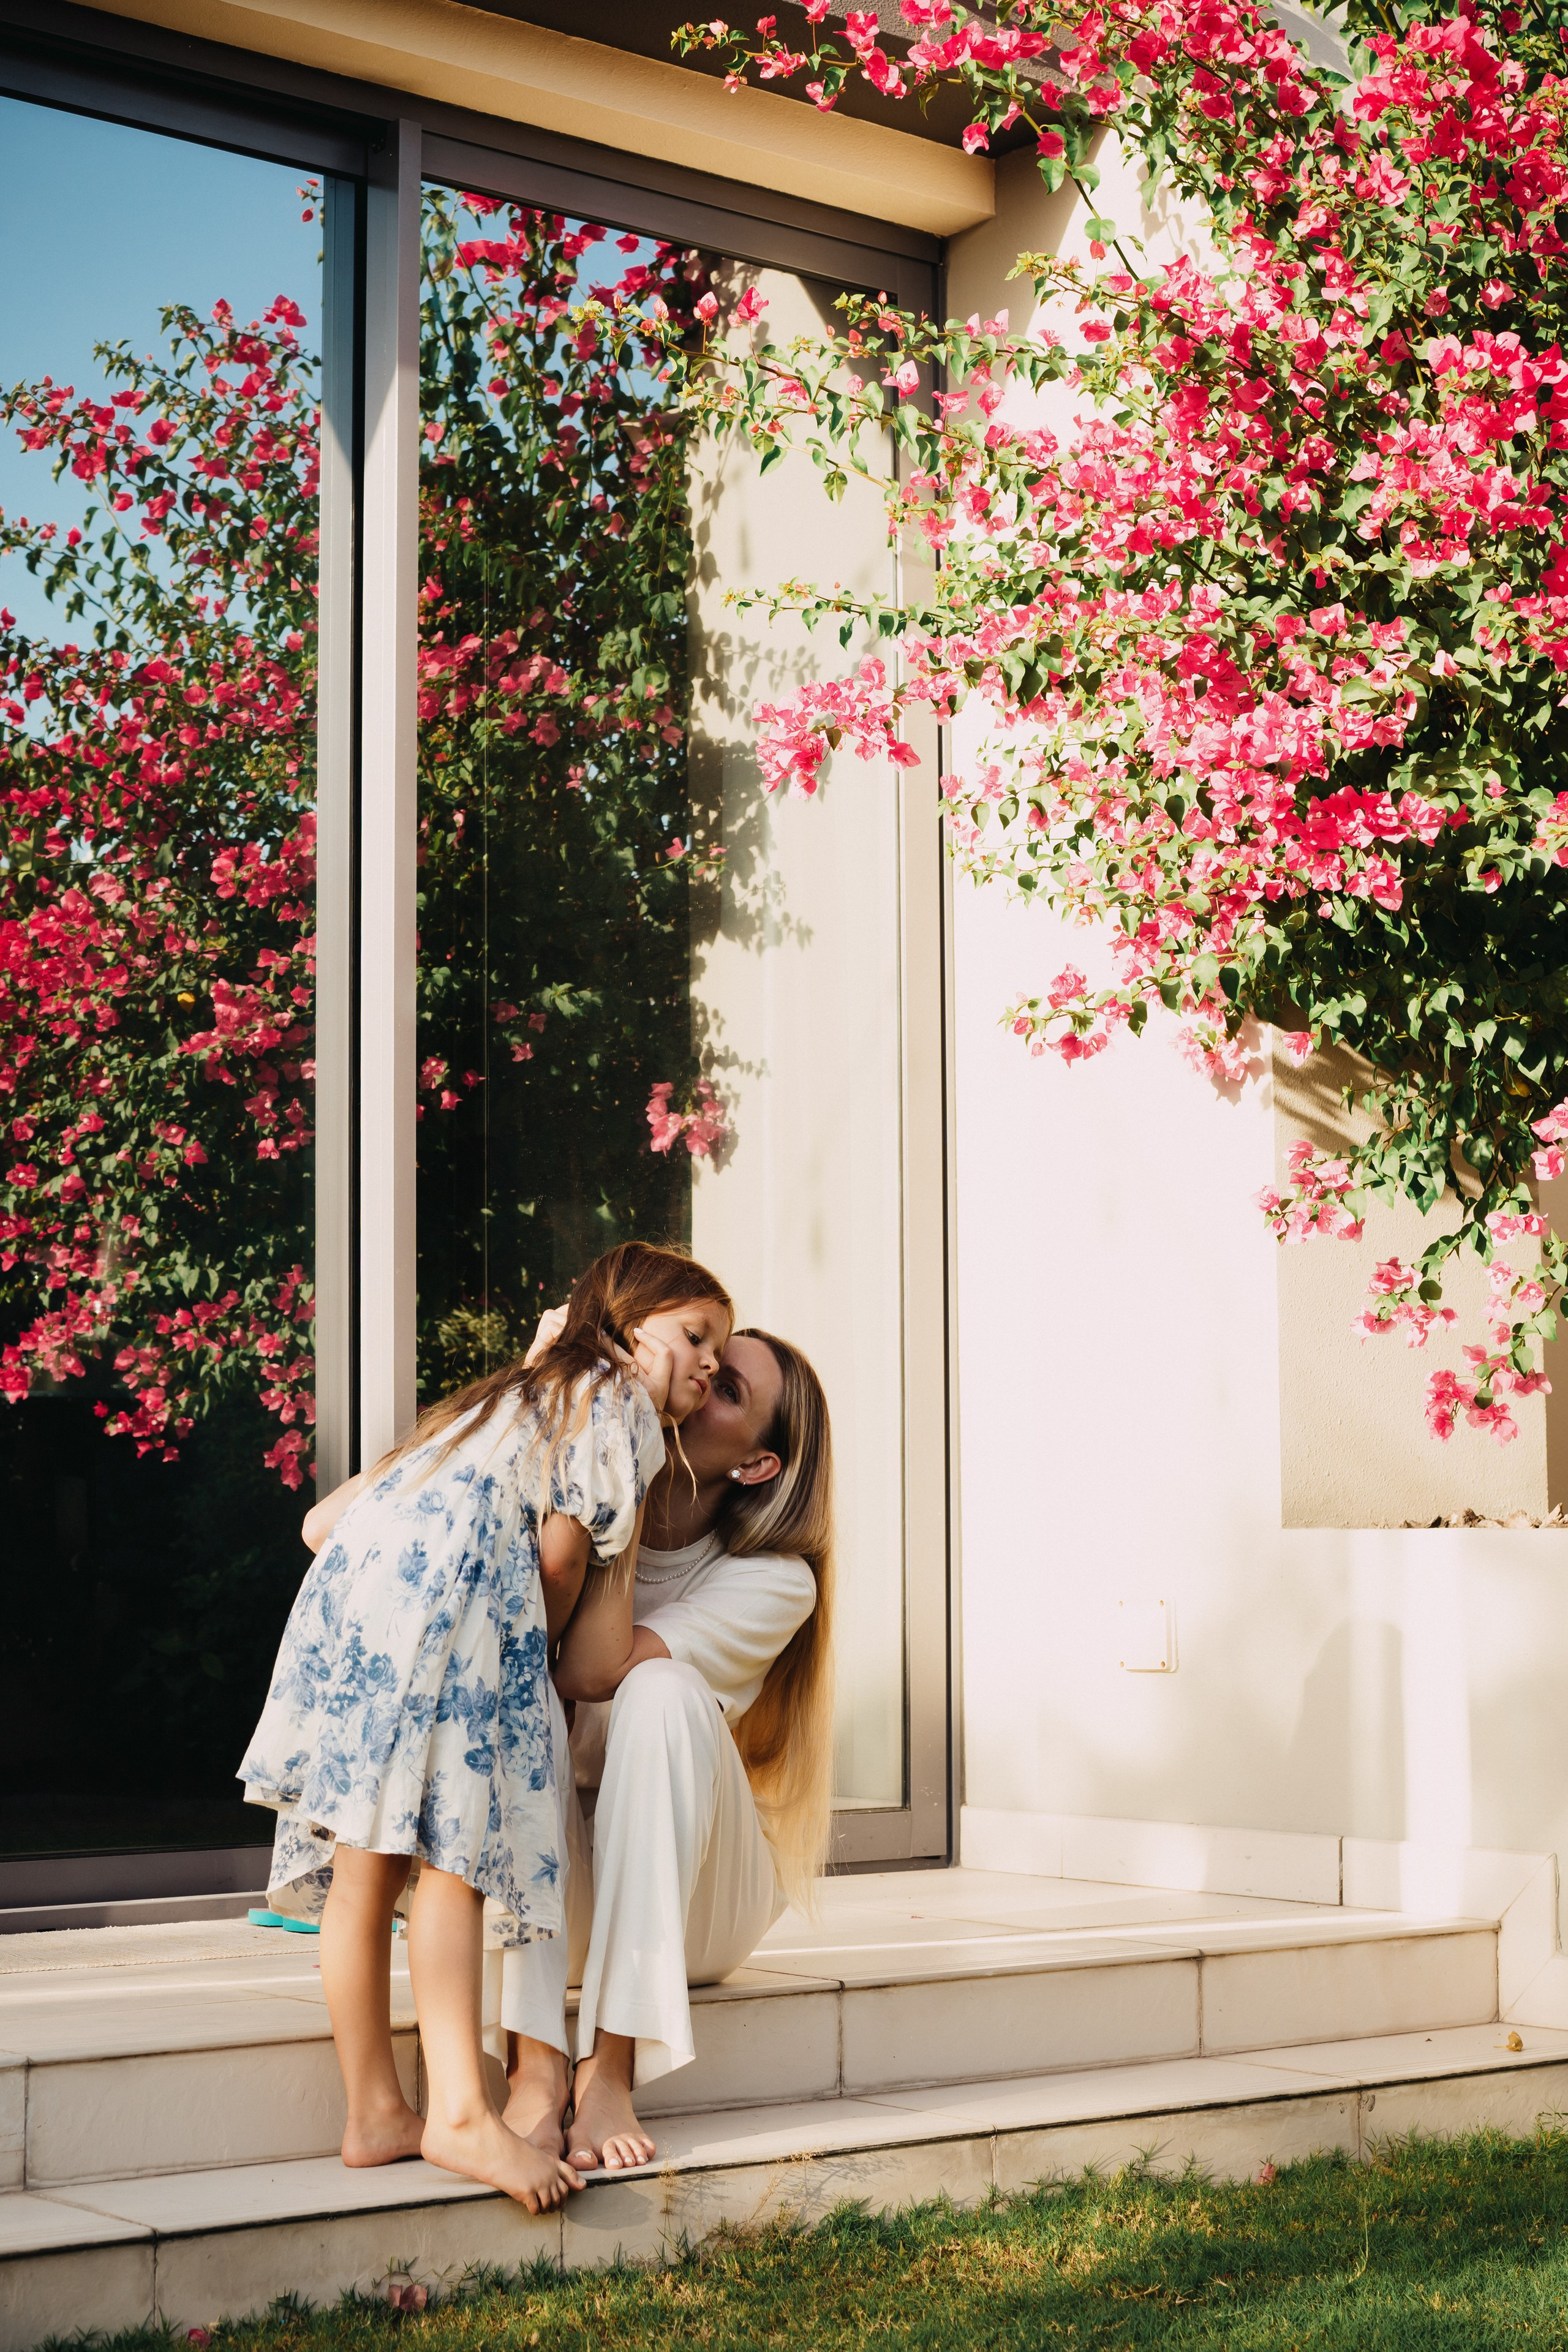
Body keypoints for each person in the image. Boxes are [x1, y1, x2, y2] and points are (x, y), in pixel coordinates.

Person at [237, 1240, 733, 2210]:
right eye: (696, 1335)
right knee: (452, 1870)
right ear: (632, 1333)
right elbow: (556, 1561)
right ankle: (462, 2113)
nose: (710, 1361)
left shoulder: (506, 1394)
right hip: (460, 1613)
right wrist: (527, 1649)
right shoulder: (620, 1400)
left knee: (362, 1874)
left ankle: (377, 2112)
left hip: (362, 1605)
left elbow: (321, 1524)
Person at [499, 1317, 835, 2175]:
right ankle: (534, 2065)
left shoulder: (772, 1580)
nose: (699, 1380)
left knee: (660, 1687)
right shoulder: (564, 1500)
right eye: (709, 1364)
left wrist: (626, 1467)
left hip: (696, 1911)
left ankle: (611, 2068)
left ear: (757, 1465)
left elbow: (596, 1669)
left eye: (729, 1390)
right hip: (559, 1882)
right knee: (510, 1681)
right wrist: (546, 1395)